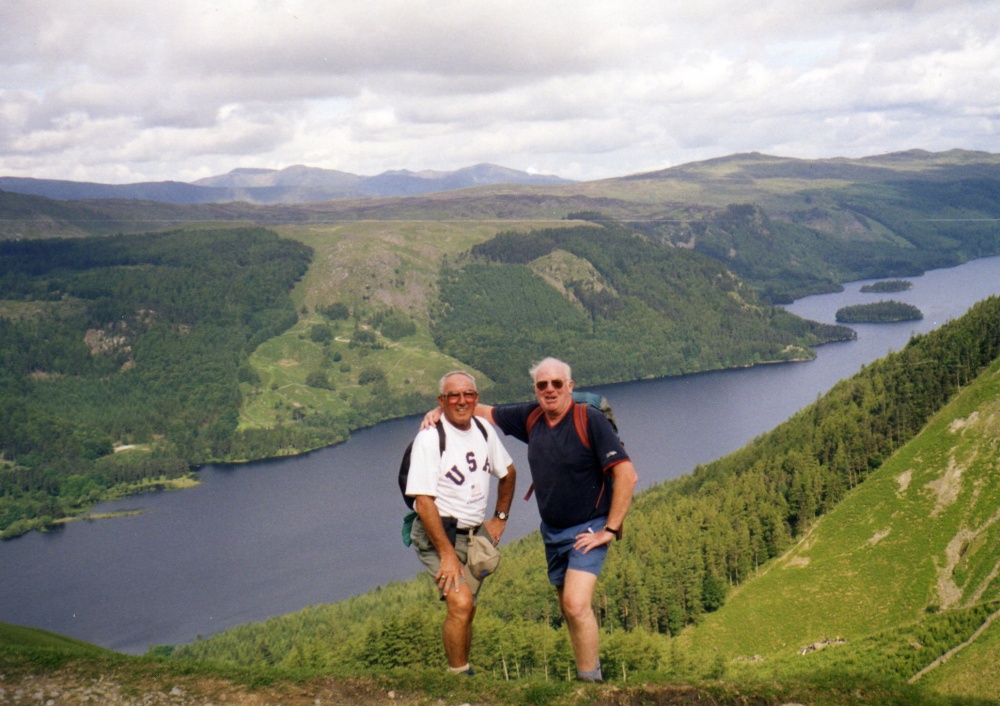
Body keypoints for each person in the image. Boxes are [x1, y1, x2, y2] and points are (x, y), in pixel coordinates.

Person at [424, 357, 637, 683]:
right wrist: (441, 410)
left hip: (588, 528)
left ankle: (592, 683)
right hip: (552, 532)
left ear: (570, 386)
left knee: (575, 604)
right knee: (568, 608)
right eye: (542, 384)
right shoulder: (532, 417)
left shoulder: (589, 420)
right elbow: (484, 411)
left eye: (557, 383)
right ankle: (586, 679)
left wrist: (609, 529)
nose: (550, 390)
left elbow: (626, 475)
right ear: (536, 390)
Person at [406, 370, 516, 676]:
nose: (462, 400)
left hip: (474, 534)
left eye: (468, 394)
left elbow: (508, 472)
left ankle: (464, 672)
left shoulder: (482, 429)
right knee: (461, 602)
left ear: (476, 398)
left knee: (469, 607)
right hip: (438, 534)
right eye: (453, 395)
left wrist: (499, 519)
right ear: (441, 401)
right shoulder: (430, 438)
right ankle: (458, 679)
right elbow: (423, 502)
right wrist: (446, 554)